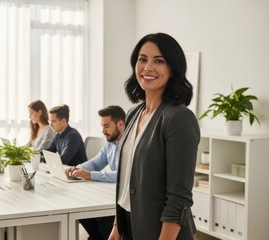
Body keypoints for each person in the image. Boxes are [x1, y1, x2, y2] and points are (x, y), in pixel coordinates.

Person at [108, 33, 200, 240]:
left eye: (158, 61)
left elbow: (179, 196)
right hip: (129, 227)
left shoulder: (179, 118)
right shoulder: (133, 113)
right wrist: (117, 226)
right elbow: (127, 179)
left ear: (172, 69)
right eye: (142, 59)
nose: (147, 68)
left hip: (161, 232)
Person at [65, 105, 125, 240]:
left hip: (121, 199)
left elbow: (123, 175)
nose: (103, 131)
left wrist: (90, 175)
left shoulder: (130, 144)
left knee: (103, 221)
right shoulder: (110, 143)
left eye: (107, 126)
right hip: (111, 192)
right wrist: (77, 169)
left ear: (120, 124)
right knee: (78, 206)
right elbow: (95, 163)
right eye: (102, 126)